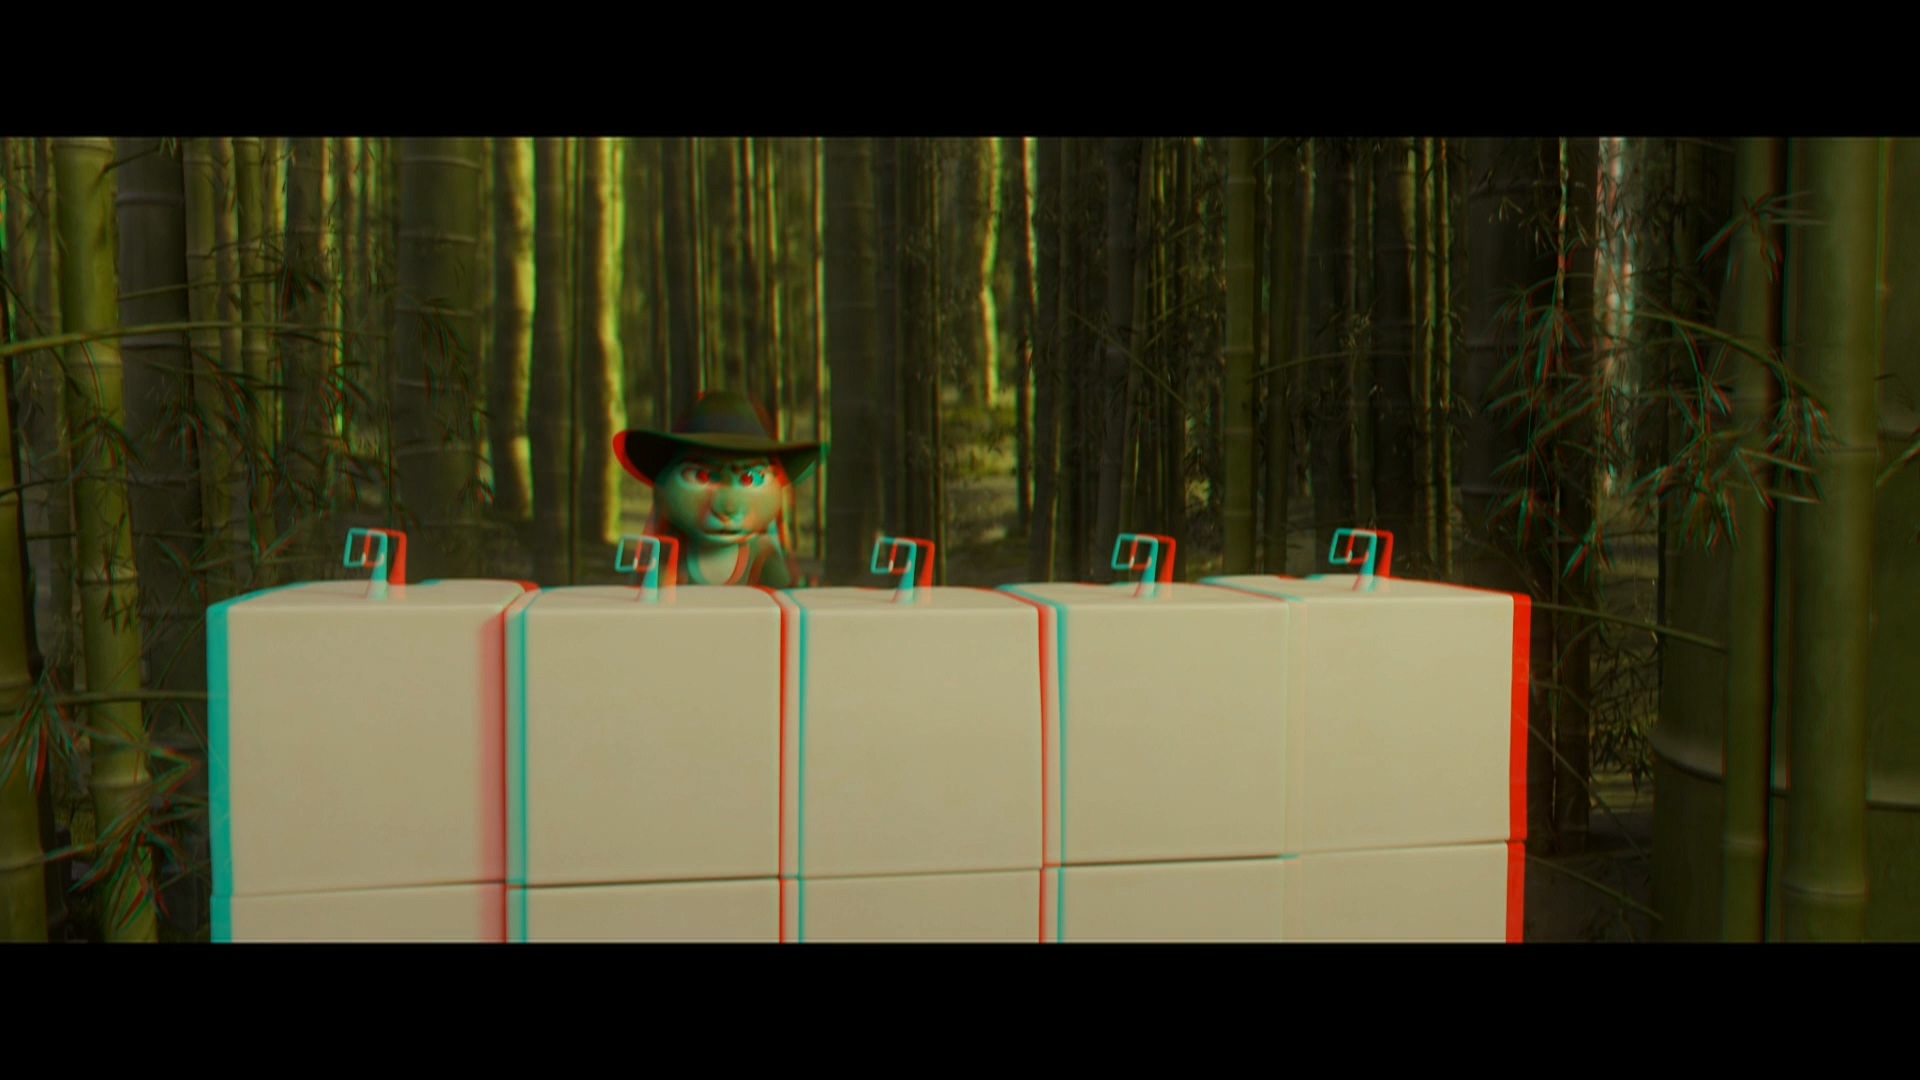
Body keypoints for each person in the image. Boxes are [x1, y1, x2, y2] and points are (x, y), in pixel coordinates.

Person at [612, 391, 821, 587]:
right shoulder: (668, 553)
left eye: (749, 479)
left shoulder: (763, 557)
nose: (727, 508)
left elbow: (786, 597)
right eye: (703, 476)